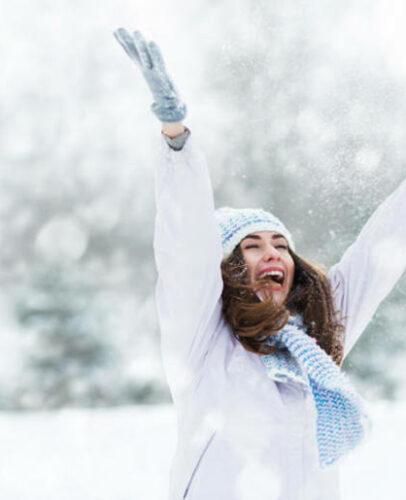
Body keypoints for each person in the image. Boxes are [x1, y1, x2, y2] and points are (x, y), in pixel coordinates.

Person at [113, 28, 406, 500]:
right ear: (227, 268)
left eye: (280, 244)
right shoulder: (203, 344)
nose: (272, 252)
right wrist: (176, 139)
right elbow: (185, 249)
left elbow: (381, 252)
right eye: (251, 245)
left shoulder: (319, 341)